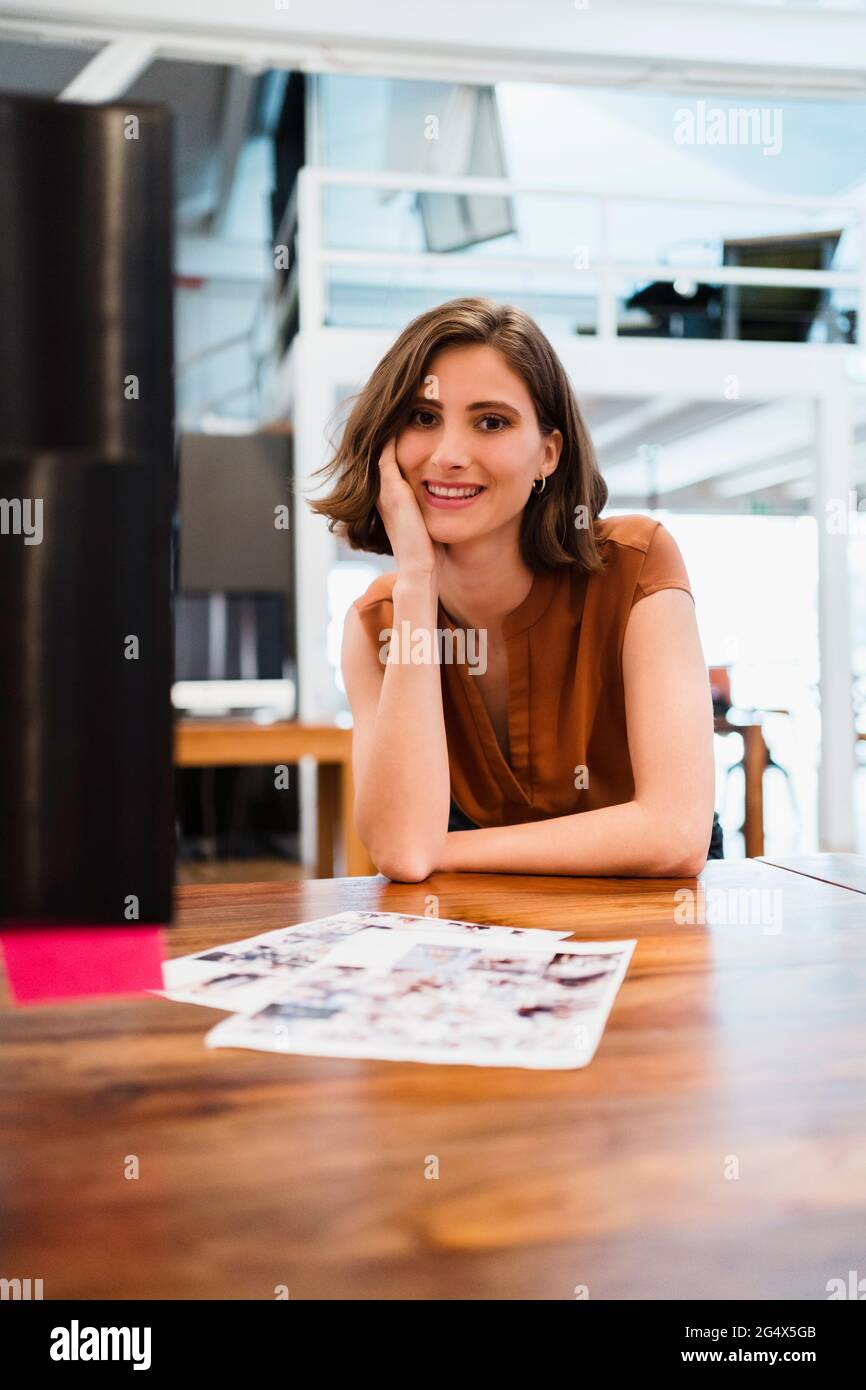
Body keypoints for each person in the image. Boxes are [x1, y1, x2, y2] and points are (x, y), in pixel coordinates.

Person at [308, 297, 721, 881]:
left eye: (492, 422)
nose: (449, 455)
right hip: (481, 928)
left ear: (547, 454)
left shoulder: (636, 565)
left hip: (649, 915)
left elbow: (676, 835)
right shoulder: (377, 622)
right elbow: (401, 852)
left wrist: (442, 852)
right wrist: (417, 584)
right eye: (423, 418)